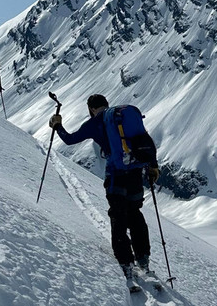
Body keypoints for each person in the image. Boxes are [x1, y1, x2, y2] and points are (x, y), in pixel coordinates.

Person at [49, 94, 161, 280]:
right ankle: (143, 259)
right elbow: (144, 141)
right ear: (106, 105)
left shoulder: (95, 123)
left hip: (116, 176)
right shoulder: (123, 118)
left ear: (91, 109)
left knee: (118, 216)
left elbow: (69, 139)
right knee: (135, 214)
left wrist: (57, 125)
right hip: (135, 174)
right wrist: (153, 166)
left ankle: (125, 262)